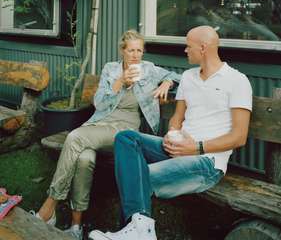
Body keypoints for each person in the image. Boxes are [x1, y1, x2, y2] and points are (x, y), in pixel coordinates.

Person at [89, 25, 252, 240]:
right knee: (126, 138)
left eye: (188, 46)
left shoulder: (237, 81)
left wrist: (196, 147)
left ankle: (138, 232)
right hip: (178, 149)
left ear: (203, 48)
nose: (185, 50)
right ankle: (139, 232)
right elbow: (177, 118)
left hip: (207, 161)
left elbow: (239, 137)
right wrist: (173, 133)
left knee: (136, 177)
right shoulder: (188, 76)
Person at [32, 29, 180, 240]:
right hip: (100, 124)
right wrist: (119, 83)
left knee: (75, 137)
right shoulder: (111, 69)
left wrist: (167, 82)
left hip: (124, 132)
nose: (136, 55)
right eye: (131, 51)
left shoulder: (149, 70)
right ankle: (76, 227)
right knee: (84, 158)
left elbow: (178, 76)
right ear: (122, 51)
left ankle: (50, 205)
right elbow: (99, 103)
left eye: (139, 50)